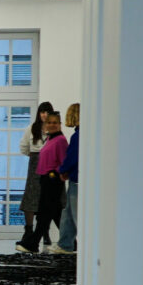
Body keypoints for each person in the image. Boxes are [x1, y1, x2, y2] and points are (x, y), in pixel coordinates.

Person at [20, 110, 69, 253]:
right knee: (53, 213)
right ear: (45, 124)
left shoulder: (60, 140)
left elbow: (64, 161)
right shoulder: (50, 139)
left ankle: (33, 243)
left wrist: (56, 174)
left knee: (44, 214)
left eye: (55, 123)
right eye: (49, 122)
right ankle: (71, 242)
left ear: (60, 124)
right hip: (44, 179)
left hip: (53, 179)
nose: (52, 125)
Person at [19, 101, 58, 247]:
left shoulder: (54, 129)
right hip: (35, 165)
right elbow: (23, 147)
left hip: (50, 167)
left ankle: (45, 232)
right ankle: (28, 231)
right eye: (42, 112)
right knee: (30, 199)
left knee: (47, 200)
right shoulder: (32, 128)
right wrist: (35, 157)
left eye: (47, 112)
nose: (44, 115)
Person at [53, 103, 82, 254]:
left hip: (77, 180)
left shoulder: (77, 136)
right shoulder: (82, 134)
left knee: (76, 215)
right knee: (68, 214)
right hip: (76, 178)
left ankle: (80, 245)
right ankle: (65, 244)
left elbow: (72, 157)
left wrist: (63, 170)